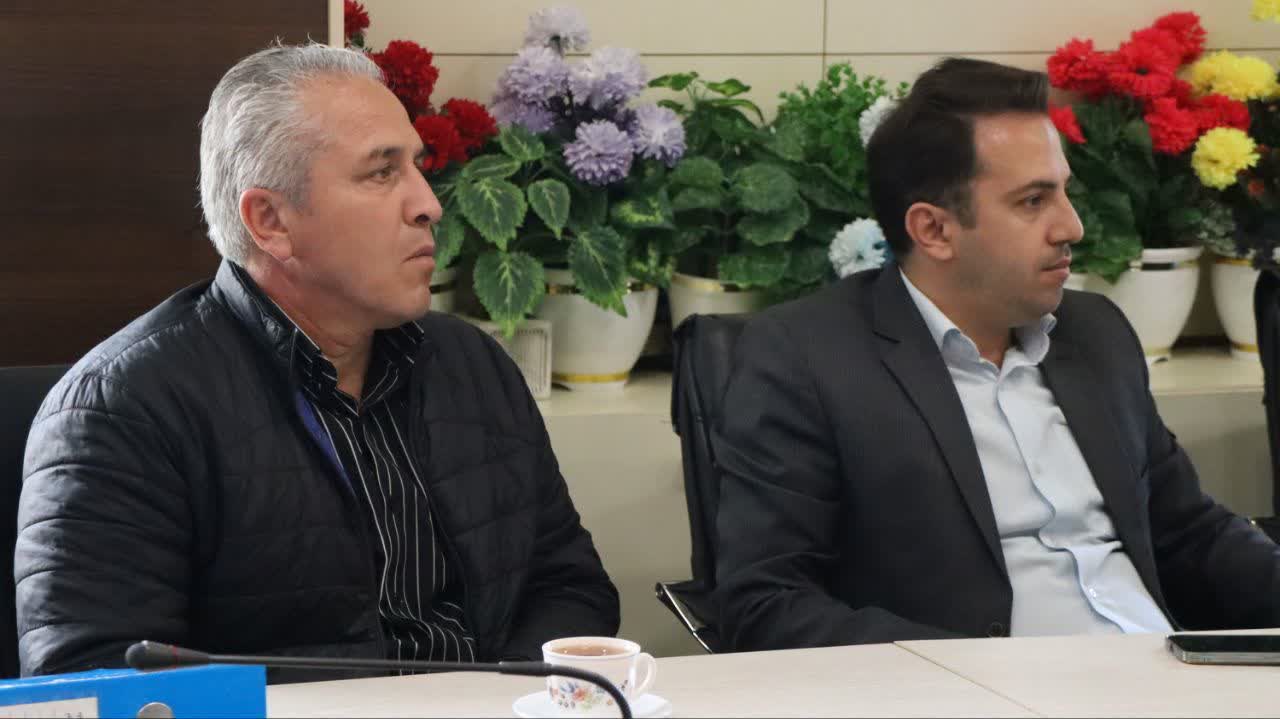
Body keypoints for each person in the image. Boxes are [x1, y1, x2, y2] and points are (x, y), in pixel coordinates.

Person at [16, 42, 619, 681]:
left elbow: (569, 585)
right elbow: (93, 679)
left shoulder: (471, 364)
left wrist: (498, 698)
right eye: (381, 173)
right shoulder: (123, 409)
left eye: (416, 166)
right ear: (271, 221)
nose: (429, 204)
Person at [713, 58, 1280, 651]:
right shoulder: (808, 359)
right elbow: (767, 604)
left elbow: (1189, 533)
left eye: (1064, 191)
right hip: (969, 686)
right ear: (934, 230)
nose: (1072, 226)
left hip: (1165, 675)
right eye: (1033, 201)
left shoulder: (1096, 334)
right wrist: (967, 676)